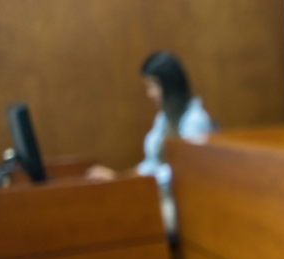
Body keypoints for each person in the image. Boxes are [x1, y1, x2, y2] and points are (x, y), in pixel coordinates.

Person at [87, 51, 213, 237]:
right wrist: (118, 178)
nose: (149, 93)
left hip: (184, 205)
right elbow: (150, 165)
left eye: (153, 86)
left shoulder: (194, 121)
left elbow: (181, 174)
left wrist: (125, 182)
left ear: (170, 85)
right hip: (160, 198)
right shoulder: (164, 118)